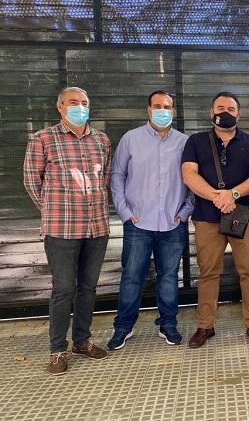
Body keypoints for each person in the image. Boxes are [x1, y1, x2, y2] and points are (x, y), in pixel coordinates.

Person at [23, 87, 111, 375]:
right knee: (63, 289)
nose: (79, 107)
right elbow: (31, 182)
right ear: (60, 107)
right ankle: (57, 349)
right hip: (61, 229)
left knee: (88, 287)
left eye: (84, 102)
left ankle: (82, 342)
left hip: (96, 227)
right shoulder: (43, 139)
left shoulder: (101, 140)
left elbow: (105, 179)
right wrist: (52, 210)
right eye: (73, 102)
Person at [107, 91, 194, 350]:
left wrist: (186, 211)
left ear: (174, 110)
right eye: (157, 106)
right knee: (132, 277)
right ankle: (123, 327)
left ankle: (168, 323)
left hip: (172, 223)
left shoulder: (184, 142)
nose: (162, 110)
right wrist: (125, 212)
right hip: (138, 223)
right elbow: (117, 176)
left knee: (169, 277)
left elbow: (194, 180)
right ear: (148, 109)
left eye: (167, 106)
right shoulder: (130, 139)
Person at [182, 91, 249, 348]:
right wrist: (216, 197)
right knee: (208, 272)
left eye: (231, 108)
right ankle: (205, 326)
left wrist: (234, 193)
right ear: (212, 112)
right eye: (220, 107)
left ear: (239, 114)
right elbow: (188, 174)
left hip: (244, 216)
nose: (226, 112)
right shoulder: (196, 142)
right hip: (207, 217)